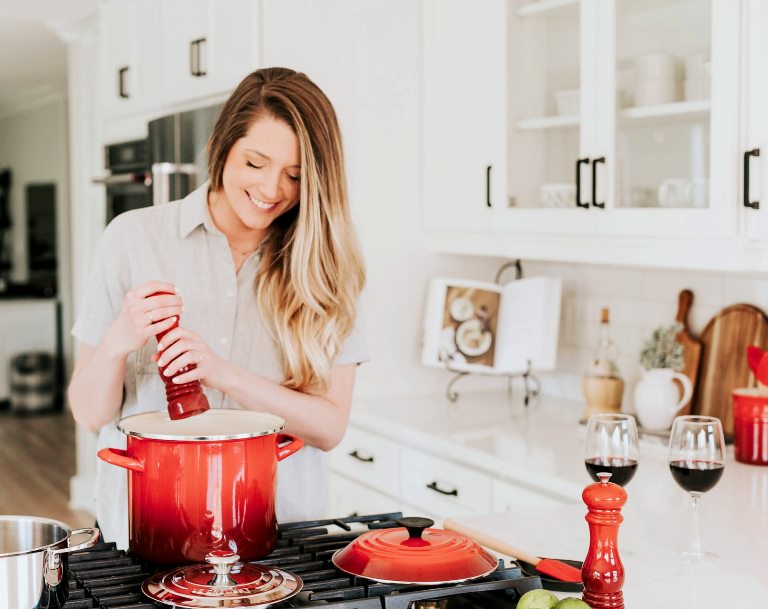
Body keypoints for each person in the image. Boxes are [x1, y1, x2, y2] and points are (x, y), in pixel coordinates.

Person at [67, 67, 367, 550]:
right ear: (222, 148)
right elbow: (87, 411)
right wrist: (119, 341)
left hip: (279, 540)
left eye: (295, 175)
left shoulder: (327, 267)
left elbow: (329, 428)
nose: (272, 189)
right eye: (255, 163)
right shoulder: (133, 237)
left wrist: (221, 373)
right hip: (147, 536)